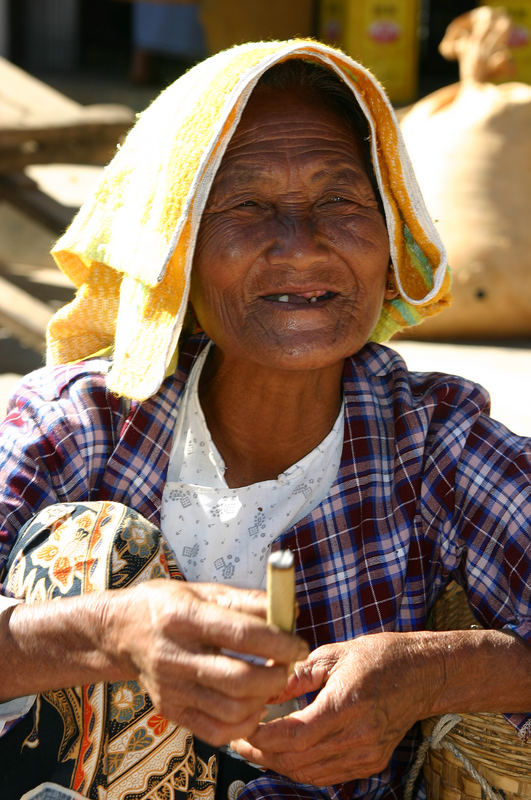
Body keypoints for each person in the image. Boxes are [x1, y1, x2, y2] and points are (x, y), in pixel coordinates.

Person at [0, 39, 529, 800]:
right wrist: (108, 632)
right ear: (179, 250)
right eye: (246, 205)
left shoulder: (430, 442)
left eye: (339, 200)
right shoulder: (85, 420)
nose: (301, 242)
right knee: (95, 548)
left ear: (388, 239)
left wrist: (434, 672)